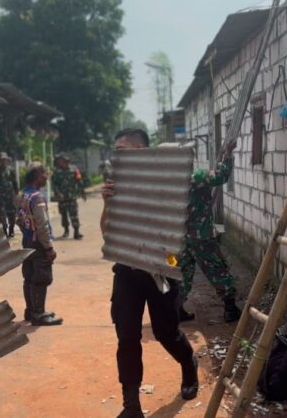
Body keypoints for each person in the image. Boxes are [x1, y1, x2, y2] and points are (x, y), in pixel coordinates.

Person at [101, 128, 198, 418]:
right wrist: (109, 205)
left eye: (127, 150)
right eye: (117, 150)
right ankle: (131, 406)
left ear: (144, 153)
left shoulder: (164, 184)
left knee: (165, 333)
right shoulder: (115, 188)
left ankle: (188, 364)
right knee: (127, 336)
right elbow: (107, 233)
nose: (120, 156)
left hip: (160, 271)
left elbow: (174, 234)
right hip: (127, 273)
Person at [177, 140, 242, 323]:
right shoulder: (197, 177)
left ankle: (176, 309)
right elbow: (221, 176)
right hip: (202, 237)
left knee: (181, 272)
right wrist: (228, 154)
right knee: (218, 269)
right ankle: (230, 309)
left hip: (179, 239)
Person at [16, 163, 63, 326]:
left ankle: (30, 311)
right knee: (41, 278)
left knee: (28, 276)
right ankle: (39, 313)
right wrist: (48, 248)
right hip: (38, 244)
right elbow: (42, 225)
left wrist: (27, 235)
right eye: (44, 174)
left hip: (27, 241)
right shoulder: (37, 198)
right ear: (37, 176)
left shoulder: (22, 195)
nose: (47, 177)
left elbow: (19, 220)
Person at [51, 154, 85, 240]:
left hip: (72, 197)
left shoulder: (74, 169)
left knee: (74, 215)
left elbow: (79, 180)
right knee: (64, 216)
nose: (62, 163)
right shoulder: (57, 172)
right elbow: (54, 184)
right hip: (62, 198)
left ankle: (76, 232)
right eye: (61, 161)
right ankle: (66, 231)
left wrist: (82, 192)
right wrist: (57, 193)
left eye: (63, 161)